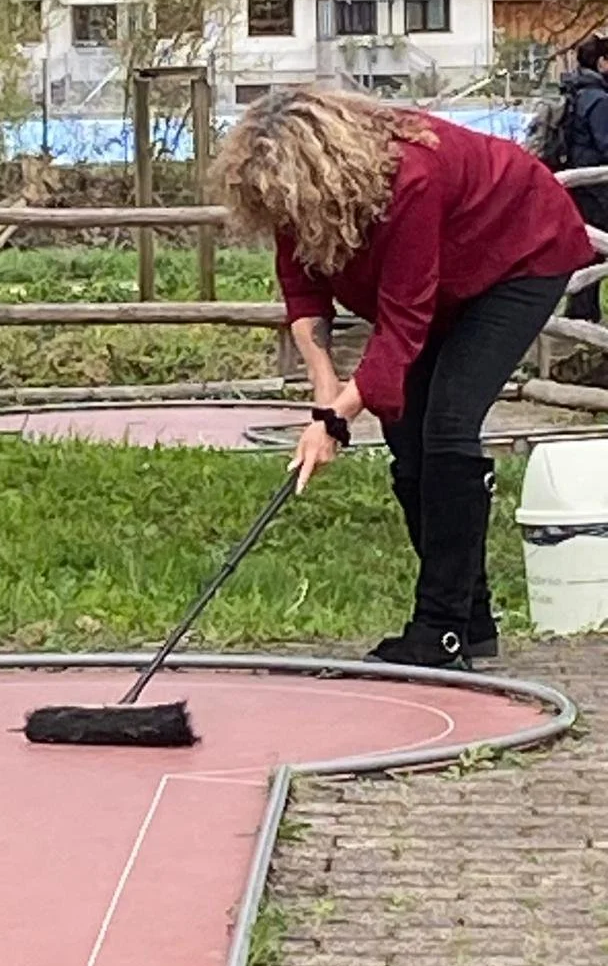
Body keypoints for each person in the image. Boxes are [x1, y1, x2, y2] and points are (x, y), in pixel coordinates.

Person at [215, 86, 594, 670]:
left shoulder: (411, 178)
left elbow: (402, 324)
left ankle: (440, 630)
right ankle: (470, 621)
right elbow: (304, 293)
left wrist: (338, 418)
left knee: (447, 426)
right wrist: (325, 403)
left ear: (324, 174)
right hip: (445, 278)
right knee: (404, 431)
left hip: (517, 253)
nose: (285, 223)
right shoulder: (294, 197)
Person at [555, 33, 608, 322]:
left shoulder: (576, 92)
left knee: (587, 247)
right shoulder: (598, 99)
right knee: (596, 247)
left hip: (579, 183)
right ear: (602, 62)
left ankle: (581, 311)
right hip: (596, 187)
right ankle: (585, 314)